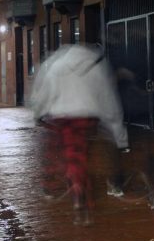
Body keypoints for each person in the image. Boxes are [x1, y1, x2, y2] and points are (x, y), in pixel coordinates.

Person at [30, 44, 129, 225]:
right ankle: (83, 199)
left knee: (72, 158)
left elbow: (45, 94)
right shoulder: (96, 66)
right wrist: (117, 131)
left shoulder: (56, 66)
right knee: (81, 156)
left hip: (63, 119)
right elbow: (107, 97)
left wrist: (38, 113)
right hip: (88, 119)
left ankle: (76, 196)